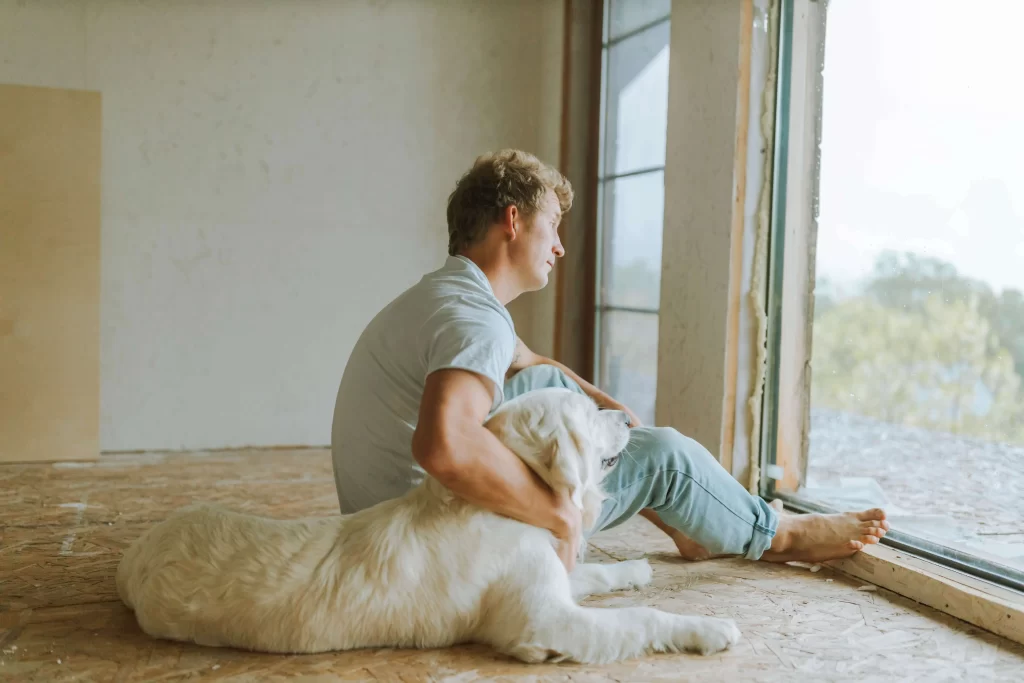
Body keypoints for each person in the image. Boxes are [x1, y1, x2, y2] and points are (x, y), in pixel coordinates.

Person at [330, 149, 889, 571]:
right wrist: (558, 515)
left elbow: (531, 365)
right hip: (429, 544)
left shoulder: (449, 296)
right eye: (551, 226)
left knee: (546, 384)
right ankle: (781, 535)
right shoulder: (474, 322)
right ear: (513, 221)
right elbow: (444, 445)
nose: (560, 247)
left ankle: (691, 521)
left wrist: (608, 413)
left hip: (386, 520)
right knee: (669, 457)